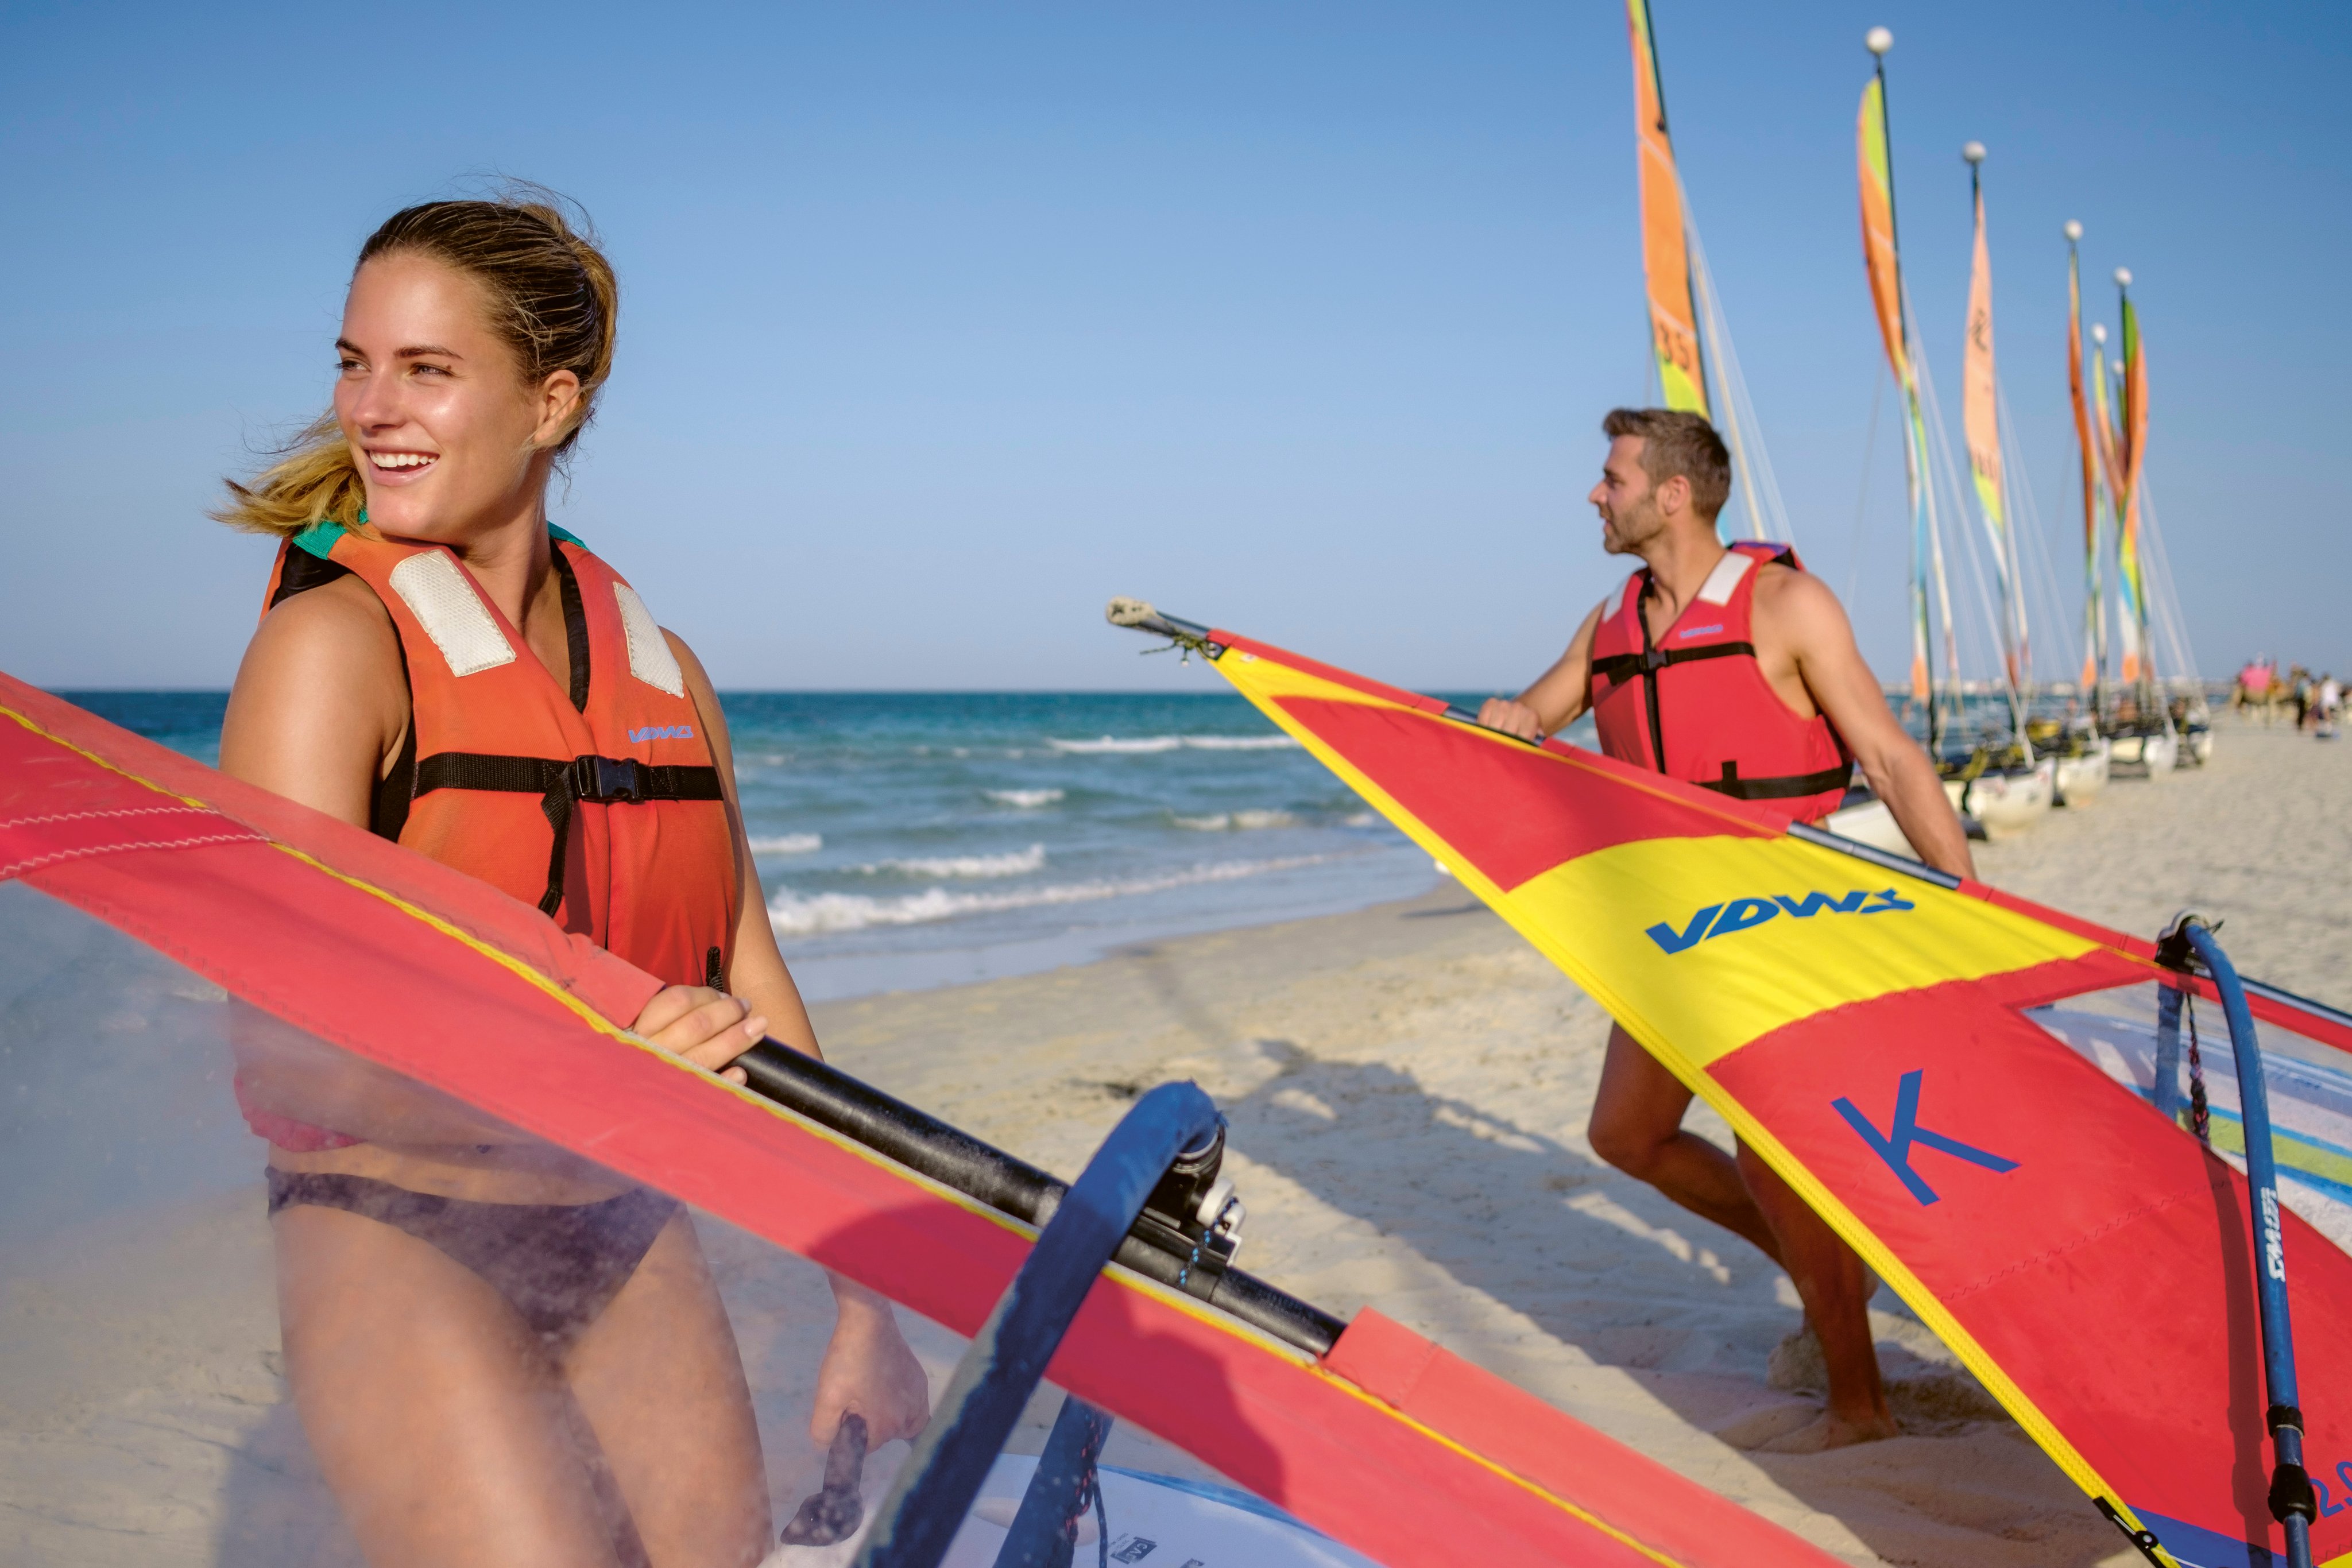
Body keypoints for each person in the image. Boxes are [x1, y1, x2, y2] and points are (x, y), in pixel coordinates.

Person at [216, 191, 930, 1566]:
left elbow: (750, 986)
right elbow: (285, 1050)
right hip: (390, 1225)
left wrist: (865, 1307)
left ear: (550, 404)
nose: (372, 409)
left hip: (614, 1221)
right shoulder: (334, 652)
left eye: (426, 369)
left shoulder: (667, 676)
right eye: (356, 364)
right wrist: (588, 1078)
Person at [1478, 408, 1975, 1450]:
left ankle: (1860, 1406)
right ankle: (1820, 1268)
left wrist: (1967, 906)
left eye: (1613, 478)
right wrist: (1511, 722)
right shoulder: (1610, 623)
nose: (1595, 494)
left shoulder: (1787, 605)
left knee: (1777, 1156)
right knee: (1627, 1135)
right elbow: (1537, 718)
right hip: (1672, 934)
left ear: (1673, 496)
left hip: (1781, 925)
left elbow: (1891, 758)